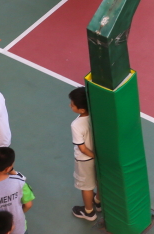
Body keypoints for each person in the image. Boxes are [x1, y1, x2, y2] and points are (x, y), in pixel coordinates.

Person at [68, 88, 101, 221]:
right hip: (98, 157)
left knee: (86, 187)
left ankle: (89, 212)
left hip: (84, 160)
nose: (70, 105)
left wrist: (93, 156)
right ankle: (98, 202)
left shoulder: (76, 124)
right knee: (99, 181)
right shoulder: (96, 115)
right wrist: (98, 157)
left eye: (72, 104)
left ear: (81, 110)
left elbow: (82, 148)